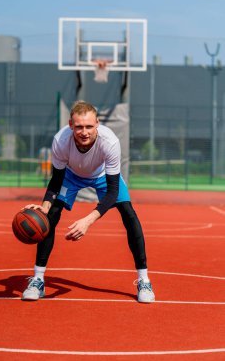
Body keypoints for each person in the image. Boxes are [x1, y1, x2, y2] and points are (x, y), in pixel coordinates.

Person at [22, 100, 155, 303]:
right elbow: (56, 181)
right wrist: (44, 207)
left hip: (102, 175)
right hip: (71, 175)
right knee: (50, 216)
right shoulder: (60, 141)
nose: (84, 132)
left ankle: (144, 280)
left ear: (98, 124)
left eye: (89, 126)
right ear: (70, 125)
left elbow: (112, 192)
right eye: (79, 127)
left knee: (129, 214)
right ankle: (38, 280)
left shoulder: (109, 142)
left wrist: (87, 220)